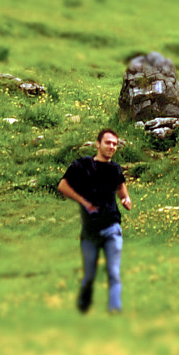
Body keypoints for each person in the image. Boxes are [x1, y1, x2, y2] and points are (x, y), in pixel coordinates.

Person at [56, 128, 132, 314]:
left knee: (114, 272)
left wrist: (126, 199)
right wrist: (83, 202)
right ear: (98, 144)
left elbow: (121, 188)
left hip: (112, 228)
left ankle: (115, 309)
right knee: (89, 275)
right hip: (90, 232)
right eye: (108, 143)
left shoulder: (115, 169)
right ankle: (84, 302)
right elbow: (62, 185)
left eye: (115, 144)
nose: (112, 147)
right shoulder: (83, 165)